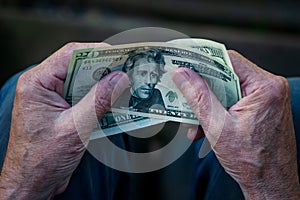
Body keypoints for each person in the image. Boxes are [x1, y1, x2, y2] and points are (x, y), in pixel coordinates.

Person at [0, 42, 299, 199]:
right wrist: (23, 187)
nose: (151, 79)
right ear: (129, 74)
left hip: (195, 153)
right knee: (22, 94)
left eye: (154, 74)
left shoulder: (160, 99)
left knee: (293, 101)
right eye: (143, 73)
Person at [117, 49, 166, 113]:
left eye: (153, 75)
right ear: (130, 75)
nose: (148, 81)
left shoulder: (156, 95)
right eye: (142, 74)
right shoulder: (119, 96)